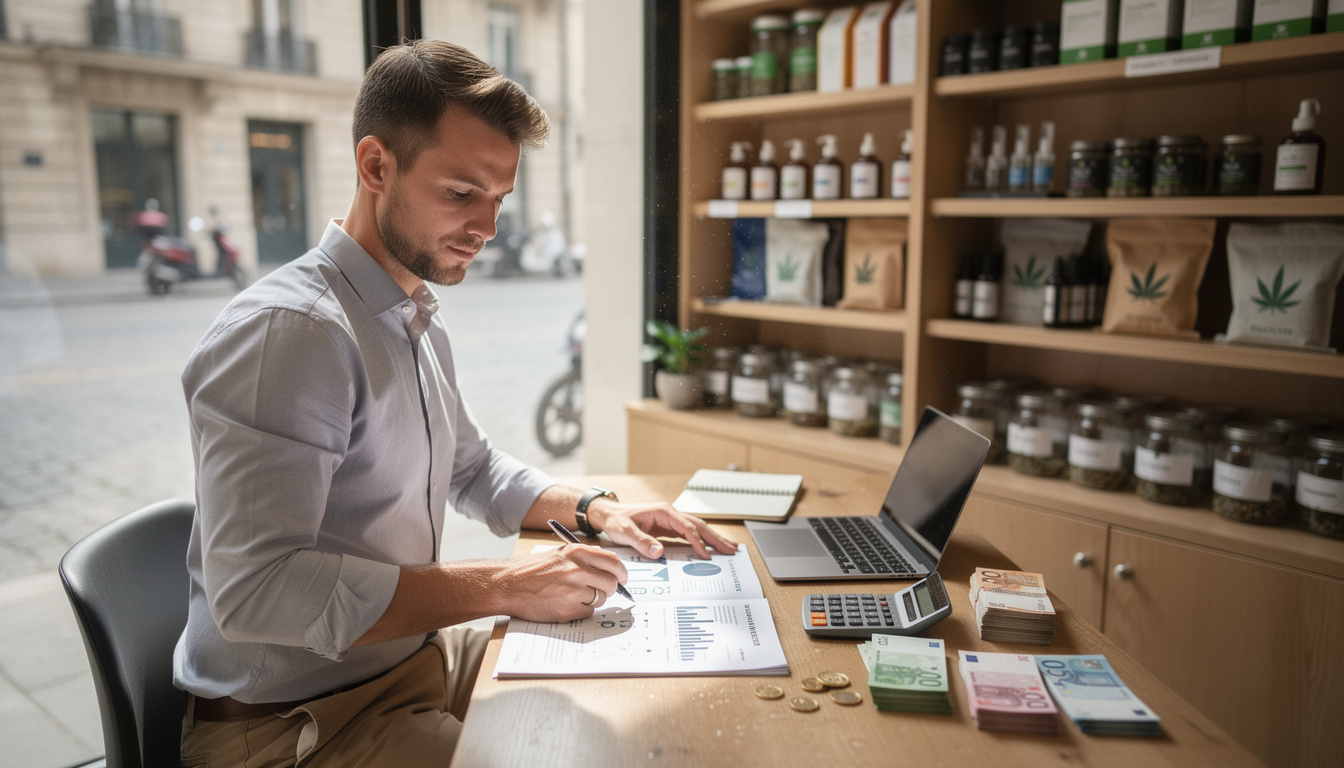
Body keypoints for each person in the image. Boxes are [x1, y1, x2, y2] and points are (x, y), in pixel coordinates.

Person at [174, 39, 736, 766]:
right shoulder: (294, 333)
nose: (488, 229)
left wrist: (597, 510)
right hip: (293, 726)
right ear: (376, 166)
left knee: (641, 713)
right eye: (462, 193)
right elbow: (257, 590)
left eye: (499, 199)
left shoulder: (409, 314)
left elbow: (471, 468)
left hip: (407, 665)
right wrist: (504, 585)